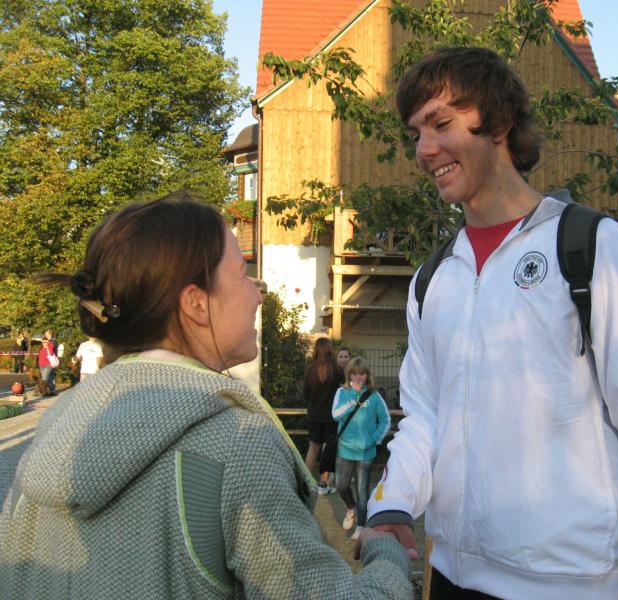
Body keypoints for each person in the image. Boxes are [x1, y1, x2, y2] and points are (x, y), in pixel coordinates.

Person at [365, 47, 618, 599]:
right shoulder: (432, 279)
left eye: (441, 124)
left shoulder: (590, 247)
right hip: (453, 574)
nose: (425, 149)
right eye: (415, 134)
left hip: (568, 582)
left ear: (499, 123)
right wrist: (392, 502)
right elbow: (426, 417)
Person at [0, 191, 412, 599]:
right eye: (242, 275)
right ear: (197, 303)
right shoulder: (237, 445)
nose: (257, 293)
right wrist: (387, 555)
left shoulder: (55, 428)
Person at [333, 357, 390, 541]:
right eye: (355, 374)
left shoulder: (374, 396)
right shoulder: (342, 392)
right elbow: (335, 415)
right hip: (345, 449)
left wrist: (374, 440)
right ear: (349, 375)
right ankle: (351, 507)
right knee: (341, 485)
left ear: (367, 375)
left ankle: (360, 526)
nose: (358, 377)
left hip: (366, 452)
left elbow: (386, 419)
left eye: (362, 374)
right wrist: (352, 399)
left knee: (362, 490)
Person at [302, 337, 344, 495]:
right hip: (332, 416)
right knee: (327, 450)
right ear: (330, 350)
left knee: (312, 448)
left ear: (316, 350)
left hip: (314, 414)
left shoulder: (310, 370)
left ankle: (306, 482)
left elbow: (306, 394)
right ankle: (323, 484)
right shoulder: (337, 370)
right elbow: (343, 392)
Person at [37, 329, 57, 395]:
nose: (44, 343)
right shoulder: (41, 349)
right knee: (48, 378)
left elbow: (52, 345)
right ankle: (49, 391)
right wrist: (38, 364)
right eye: (43, 342)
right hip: (41, 365)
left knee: (44, 378)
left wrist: (47, 341)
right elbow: (39, 357)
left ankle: (44, 391)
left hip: (48, 364)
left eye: (45, 342)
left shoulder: (50, 347)